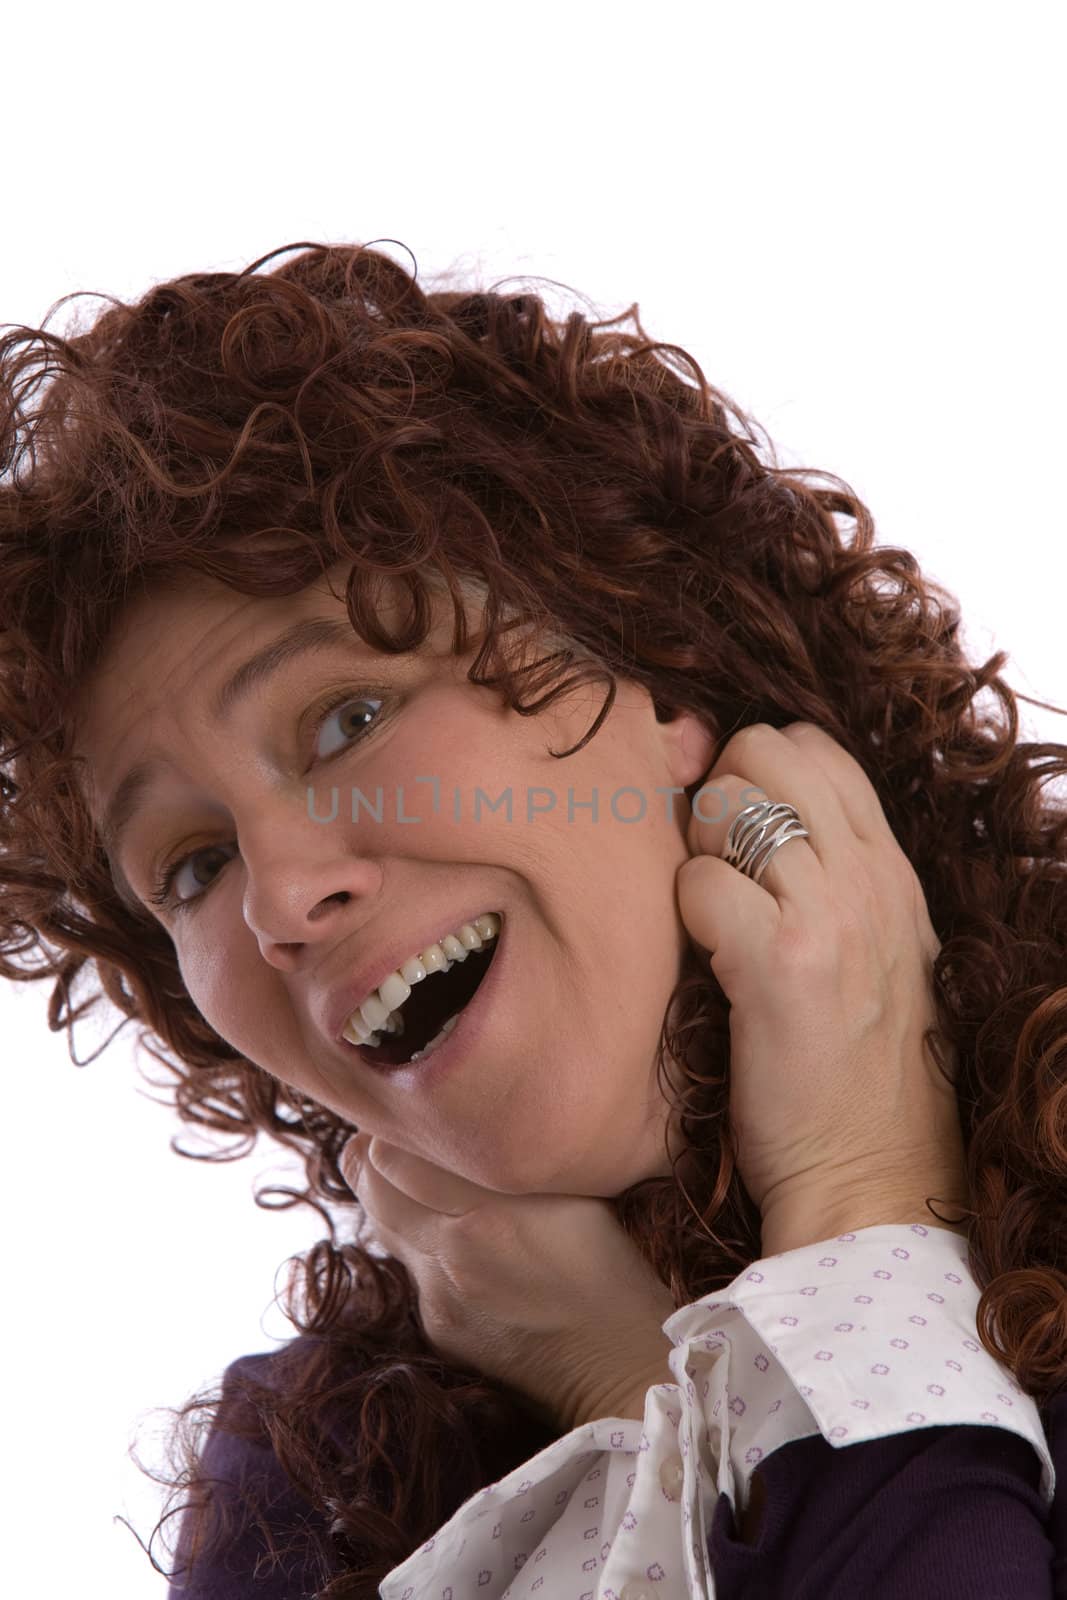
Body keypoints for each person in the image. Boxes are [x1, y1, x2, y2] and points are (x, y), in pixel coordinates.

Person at [0, 240, 1064, 1599]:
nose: (277, 897)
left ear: (654, 666)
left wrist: (860, 1207)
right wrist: (634, 1398)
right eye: (194, 866)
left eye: (349, 718)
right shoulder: (308, 1500)